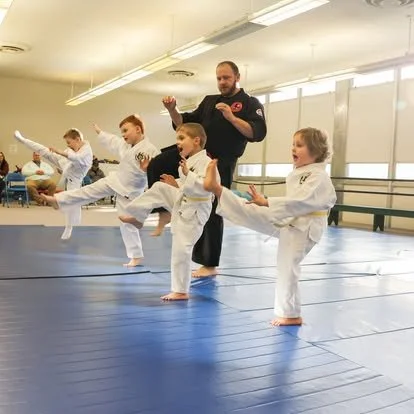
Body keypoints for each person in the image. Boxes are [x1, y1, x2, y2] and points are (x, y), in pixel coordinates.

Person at [203, 127, 337, 326]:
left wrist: (268, 202)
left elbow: (302, 200)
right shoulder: (302, 172)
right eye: (293, 144)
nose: (293, 148)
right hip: (291, 218)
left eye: (299, 145)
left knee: (287, 267)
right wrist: (265, 203)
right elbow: (293, 203)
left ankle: (291, 314)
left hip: (305, 226)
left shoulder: (318, 176)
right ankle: (219, 190)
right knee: (252, 212)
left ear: (316, 152)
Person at [150, 60, 267, 277]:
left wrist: (231, 117)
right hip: (196, 155)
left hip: (220, 162)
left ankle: (210, 264)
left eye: (226, 78)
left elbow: (257, 133)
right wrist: (173, 110)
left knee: (212, 209)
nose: (222, 82)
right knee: (158, 163)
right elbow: (184, 123)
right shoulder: (209, 101)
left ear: (237, 77)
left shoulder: (250, 103)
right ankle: (163, 211)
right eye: (219, 78)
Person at [41, 114, 160, 266]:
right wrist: (100, 133)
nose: (122, 135)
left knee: (127, 224)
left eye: (125, 131)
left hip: (131, 191)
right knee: (87, 191)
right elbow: (113, 141)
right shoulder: (125, 145)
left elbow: (157, 170)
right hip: (116, 180)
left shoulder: (150, 150)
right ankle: (57, 199)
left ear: (138, 129)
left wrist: (147, 169)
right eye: (121, 132)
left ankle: (136, 256)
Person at [120, 123, 219, 301]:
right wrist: (176, 184)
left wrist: (187, 176)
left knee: (181, 250)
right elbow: (187, 185)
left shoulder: (207, 162)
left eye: (181, 138)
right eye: (177, 139)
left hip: (195, 211)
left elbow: (206, 187)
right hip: (184, 203)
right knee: (159, 187)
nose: (177, 142)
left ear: (196, 141)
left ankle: (181, 290)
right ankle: (138, 217)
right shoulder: (187, 162)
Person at [14, 129, 93, 240]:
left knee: (73, 204)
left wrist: (59, 151)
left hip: (74, 178)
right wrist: (60, 156)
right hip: (66, 163)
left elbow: (76, 158)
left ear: (78, 140)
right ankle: (23, 140)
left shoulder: (87, 151)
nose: (68, 145)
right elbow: (70, 154)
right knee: (44, 150)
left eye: (69, 142)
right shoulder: (74, 145)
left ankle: (69, 227)